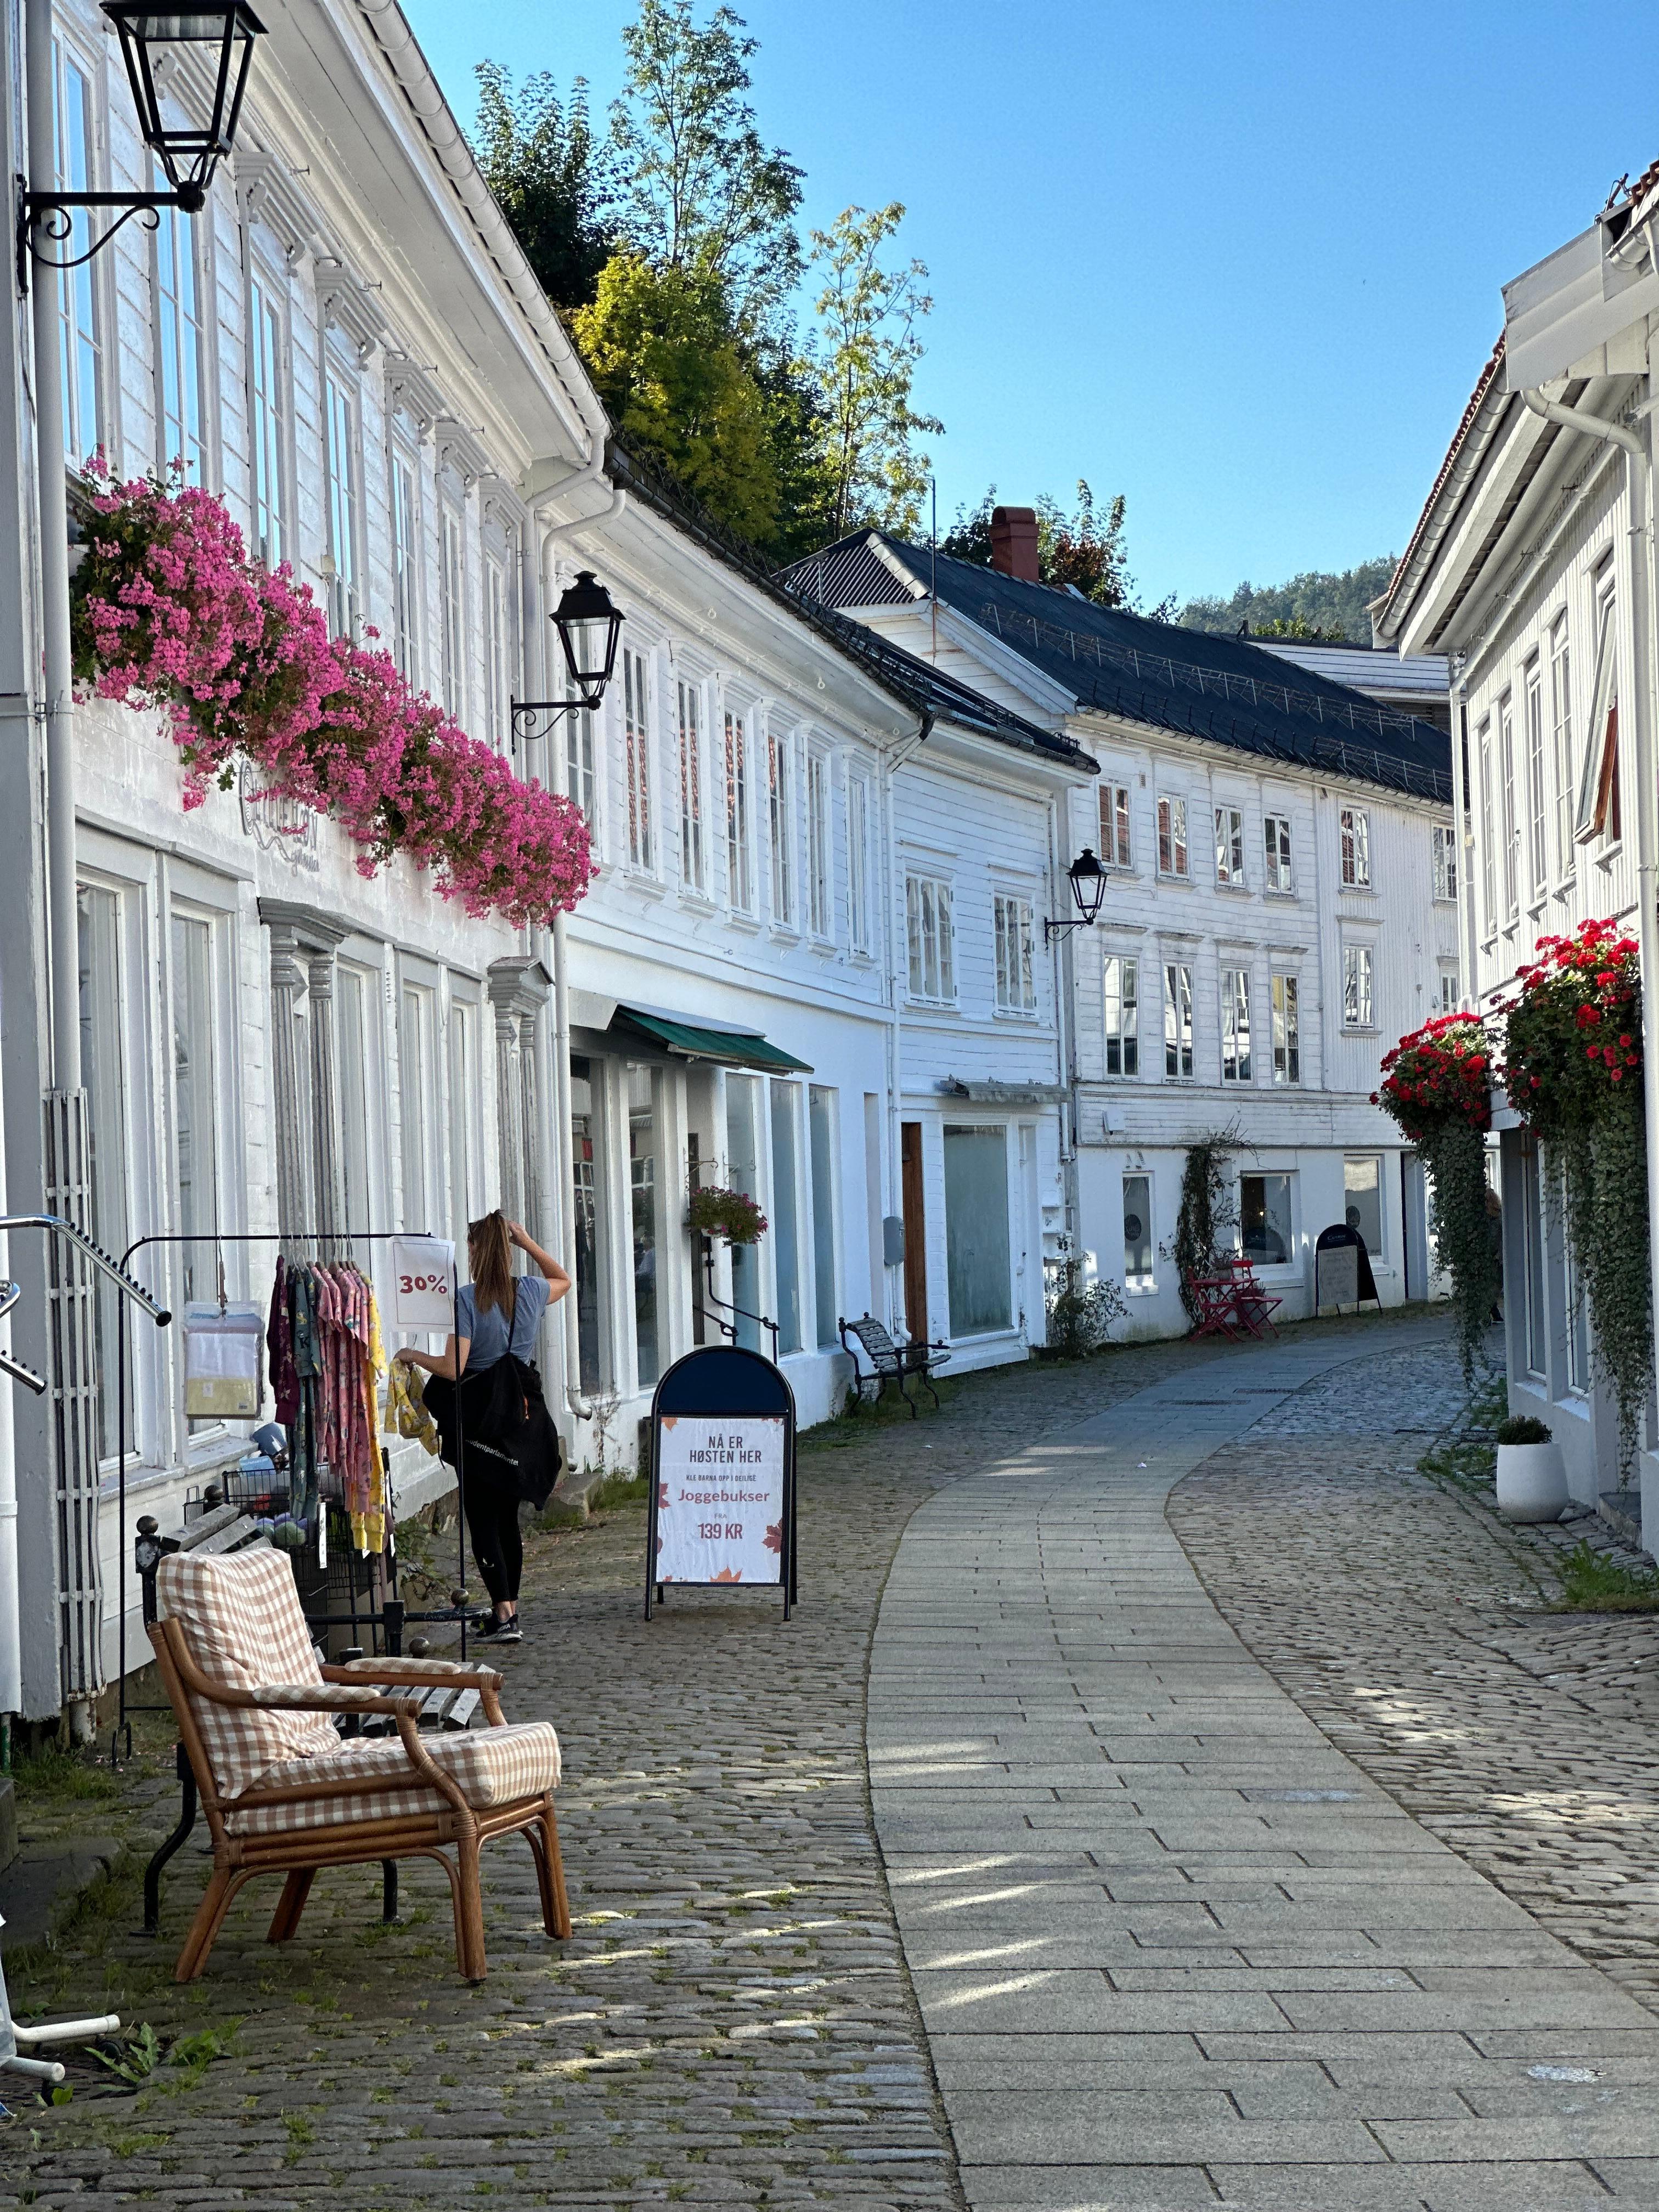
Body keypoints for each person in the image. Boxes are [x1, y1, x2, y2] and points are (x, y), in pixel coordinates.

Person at [396, 1212, 569, 1643]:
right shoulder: (529, 1291)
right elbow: (563, 1279)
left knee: (483, 1518)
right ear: (508, 1249)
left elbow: (455, 1367)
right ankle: (509, 1612)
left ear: (474, 1250)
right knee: (508, 1518)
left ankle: (503, 1614)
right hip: (520, 1412)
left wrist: (412, 1356)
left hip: (477, 1421)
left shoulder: (468, 1299)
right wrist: (527, 1241)